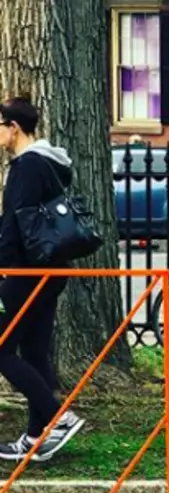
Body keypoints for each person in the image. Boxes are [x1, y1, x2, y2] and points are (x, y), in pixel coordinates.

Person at [0, 96, 84, 462]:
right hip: (47, 270)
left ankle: (57, 417)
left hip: (27, 272)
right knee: (33, 350)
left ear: (12, 128)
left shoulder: (29, 166)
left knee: (2, 349)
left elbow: (17, 225)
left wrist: (4, 268)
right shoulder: (44, 162)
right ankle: (36, 436)